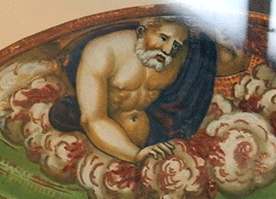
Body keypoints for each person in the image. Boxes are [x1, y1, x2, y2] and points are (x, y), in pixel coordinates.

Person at [51, 16, 248, 163]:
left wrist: (219, 36)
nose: (168, 50)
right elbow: (93, 118)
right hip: (110, 148)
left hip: (154, 143)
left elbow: (232, 64)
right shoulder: (104, 50)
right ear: (142, 31)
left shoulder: (179, 57)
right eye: (163, 38)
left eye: (176, 44)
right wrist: (135, 155)